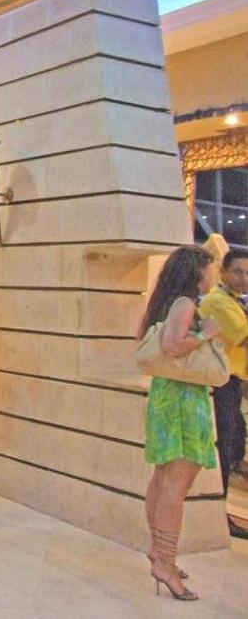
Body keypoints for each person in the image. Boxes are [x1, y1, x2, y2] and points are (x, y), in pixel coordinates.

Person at [138, 245, 220, 601]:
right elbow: (173, 346)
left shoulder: (164, 301)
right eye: (209, 267)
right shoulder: (185, 303)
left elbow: (148, 341)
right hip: (184, 399)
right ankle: (166, 563)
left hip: (166, 394)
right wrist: (206, 334)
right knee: (177, 482)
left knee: (163, 477)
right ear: (196, 271)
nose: (213, 273)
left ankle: (159, 550)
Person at [197, 249, 248, 540]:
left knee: (232, 445)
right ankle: (218, 515)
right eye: (238, 272)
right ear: (222, 271)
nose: (244, 278)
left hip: (231, 381)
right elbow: (244, 336)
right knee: (226, 447)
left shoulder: (232, 301)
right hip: (222, 383)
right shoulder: (218, 301)